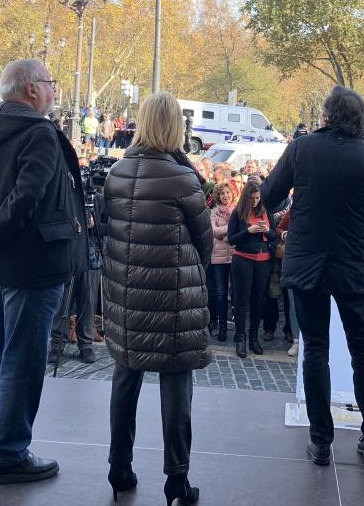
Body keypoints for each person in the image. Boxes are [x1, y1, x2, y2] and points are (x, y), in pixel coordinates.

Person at [0, 58, 88, 485]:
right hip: (32, 264)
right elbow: (27, 198)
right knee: (21, 359)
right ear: (31, 89)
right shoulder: (39, 132)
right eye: (51, 82)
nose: (54, 90)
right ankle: (9, 453)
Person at [261, 86, 364, 466]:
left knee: (315, 350)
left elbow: (269, 196)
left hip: (307, 263)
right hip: (352, 266)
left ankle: (321, 441)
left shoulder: (301, 149)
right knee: (362, 350)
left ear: (326, 115)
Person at [102, 90, 212, 505]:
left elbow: (110, 232)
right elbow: (204, 244)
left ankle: (119, 466)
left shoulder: (116, 173)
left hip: (126, 294)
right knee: (176, 387)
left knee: (125, 377)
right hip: (173, 299)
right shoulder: (183, 178)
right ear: (175, 127)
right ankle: (177, 480)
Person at [228, 179, 277, 357]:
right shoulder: (238, 213)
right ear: (246, 197)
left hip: (263, 262)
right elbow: (231, 239)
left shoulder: (266, 211)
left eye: (257, 198)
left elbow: (274, 236)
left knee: (258, 301)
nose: (255, 201)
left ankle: (253, 338)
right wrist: (248, 231)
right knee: (241, 301)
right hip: (243, 260)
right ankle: (240, 339)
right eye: (252, 198)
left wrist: (267, 231)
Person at [207, 182, 234, 342]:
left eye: (228, 192)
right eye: (222, 193)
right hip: (218, 257)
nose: (225, 196)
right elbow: (214, 232)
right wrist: (230, 229)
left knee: (235, 292)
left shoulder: (237, 210)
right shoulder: (213, 212)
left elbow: (239, 231)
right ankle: (221, 327)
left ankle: (237, 328)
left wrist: (225, 234)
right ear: (218, 196)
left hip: (235, 255)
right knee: (220, 292)